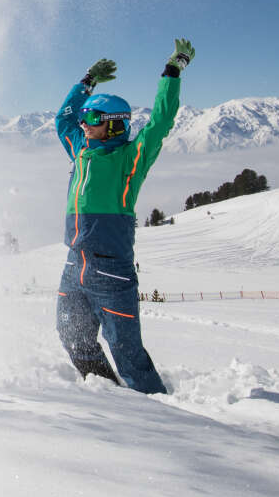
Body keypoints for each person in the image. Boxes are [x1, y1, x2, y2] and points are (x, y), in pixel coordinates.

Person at [53, 38, 195, 394]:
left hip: (111, 273)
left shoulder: (131, 159)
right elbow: (63, 119)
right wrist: (87, 82)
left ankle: (159, 414)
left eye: (93, 118)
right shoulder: (80, 150)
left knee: (128, 354)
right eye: (86, 117)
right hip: (75, 266)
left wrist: (173, 70)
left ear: (115, 125)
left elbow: (161, 120)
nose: (84, 123)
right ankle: (110, 400)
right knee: (73, 339)